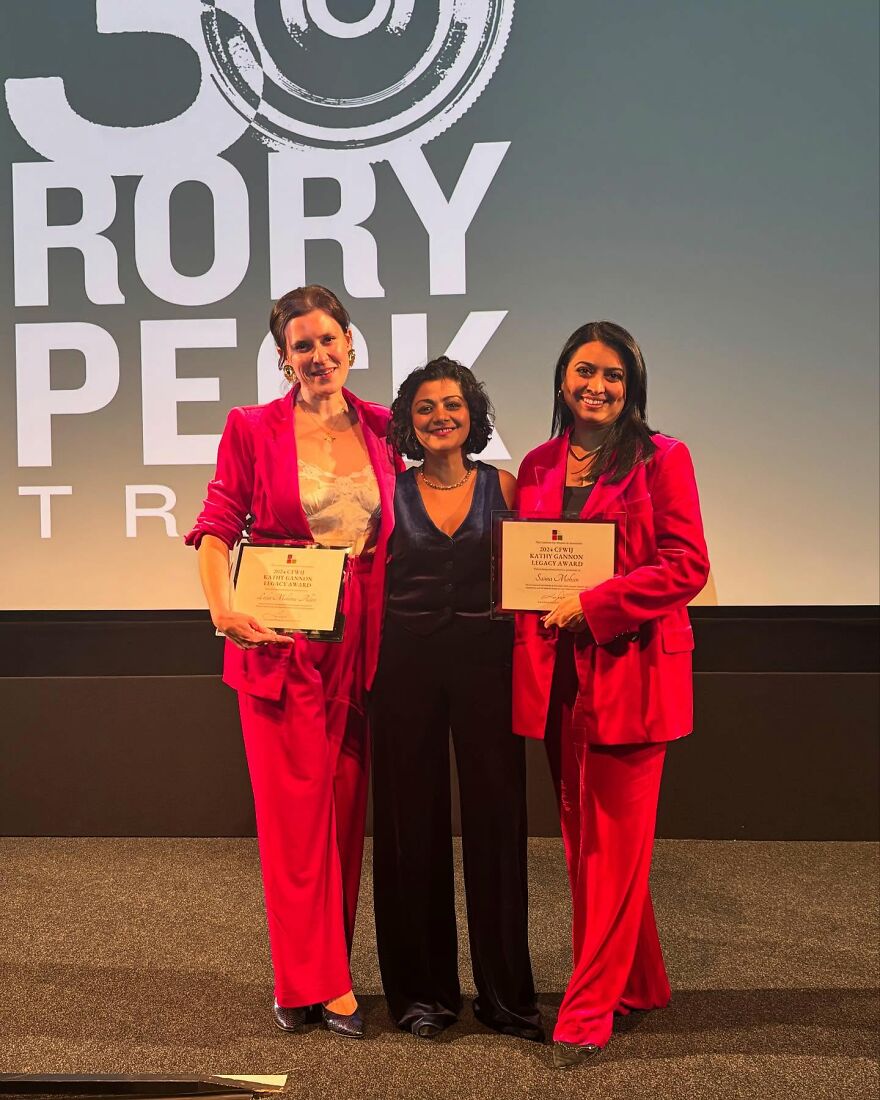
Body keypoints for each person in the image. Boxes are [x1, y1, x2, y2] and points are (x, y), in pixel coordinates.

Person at [185, 285, 401, 1039]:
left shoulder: (384, 425)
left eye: (327, 340)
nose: (317, 355)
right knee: (291, 821)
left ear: (350, 344)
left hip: (365, 644)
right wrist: (222, 609)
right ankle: (308, 982)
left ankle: (326, 969)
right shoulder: (251, 428)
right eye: (300, 345)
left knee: (343, 815)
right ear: (283, 358)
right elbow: (217, 527)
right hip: (281, 643)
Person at [513, 321, 710, 1068]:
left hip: (634, 673)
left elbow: (686, 564)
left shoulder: (664, 459)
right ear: (562, 377)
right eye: (584, 371)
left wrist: (597, 604)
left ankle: (589, 1004)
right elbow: (528, 564)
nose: (597, 386)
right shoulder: (536, 464)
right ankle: (641, 982)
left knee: (614, 848)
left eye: (614, 376)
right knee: (583, 842)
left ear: (633, 387)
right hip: (558, 678)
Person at [370, 356, 543, 1042]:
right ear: (409, 424)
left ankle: (507, 998)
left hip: (487, 667)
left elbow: (541, 563)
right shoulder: (387, 491)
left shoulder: (506, 484)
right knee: (410, 828)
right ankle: (423, 996)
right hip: (404, 669)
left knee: (498, 826)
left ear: (473, 415)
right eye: (425, 409)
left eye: (453, 405)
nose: (440, 417)